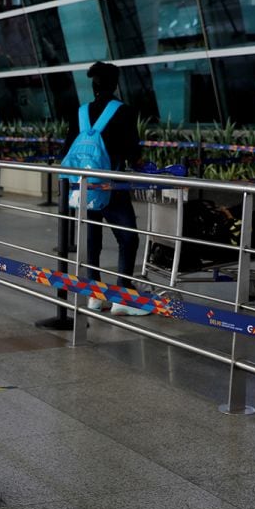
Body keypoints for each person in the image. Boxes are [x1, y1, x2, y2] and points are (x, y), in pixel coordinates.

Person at [61, 61, 147, 317]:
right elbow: (133, 153)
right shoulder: (124, 111)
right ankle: (122, 298)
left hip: (84, 188)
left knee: (93, 239)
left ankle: (94, 297)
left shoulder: (81, 112)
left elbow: (66, 151)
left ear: (93, 85)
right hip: (112, 187)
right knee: (128, 238)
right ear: (115, 83)